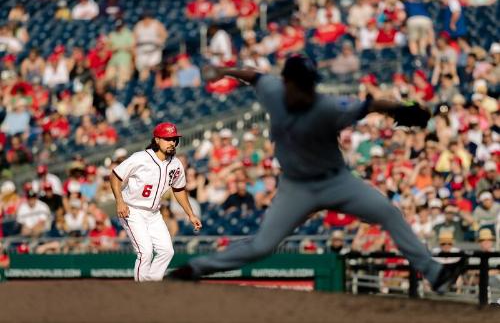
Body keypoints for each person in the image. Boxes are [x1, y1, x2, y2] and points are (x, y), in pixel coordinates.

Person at [170, 54, 464, 293]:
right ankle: (196, 268)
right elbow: (251, 74)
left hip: (337, 182)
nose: (307, 88)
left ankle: (434, 273)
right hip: (296, 189)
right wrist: (222, 70)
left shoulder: (328, 107)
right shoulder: (274, 91)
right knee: (262, 245)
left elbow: (371, 104)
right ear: (287, 83)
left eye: (310, 83)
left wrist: (401, 109)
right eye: (302, 83)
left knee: (388, 212)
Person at [110, 122, 202, 282]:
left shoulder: (176, 164)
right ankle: (141, 291)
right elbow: (115, 176)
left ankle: (151, 285)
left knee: (167, 251)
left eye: (174, 139)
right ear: (157, 140)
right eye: (168, 139)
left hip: (153, 214)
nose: (172, 142)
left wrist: (191, 214)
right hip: (132, 210)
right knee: (145, 252)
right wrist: (119, 202)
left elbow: (179, 189)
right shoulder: (141, 158)